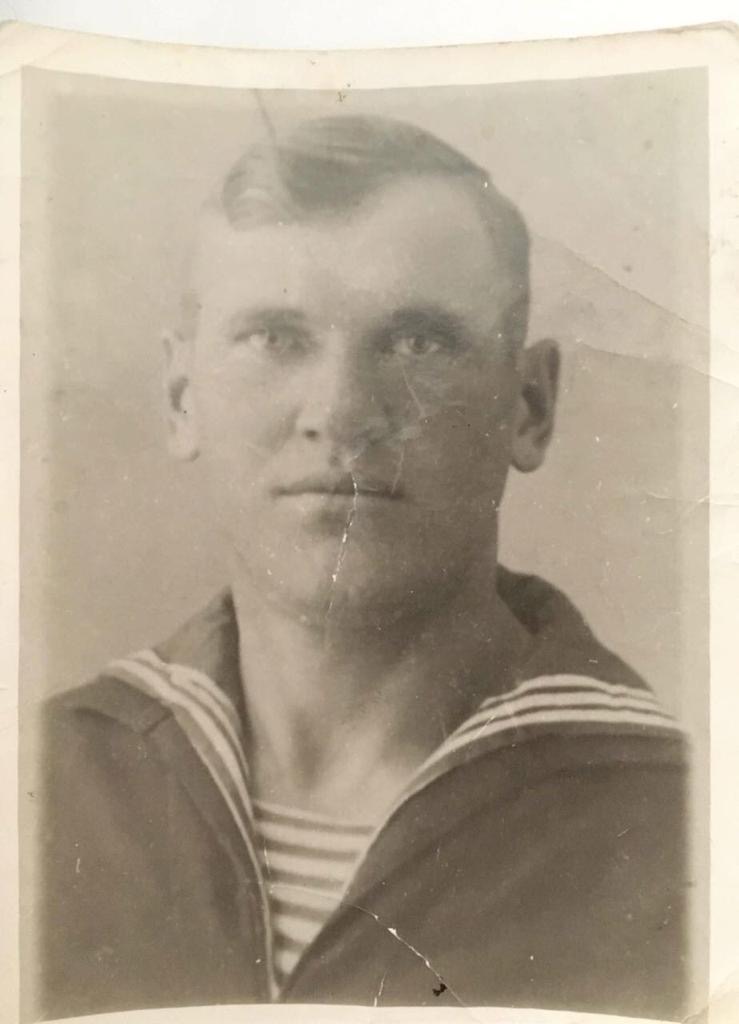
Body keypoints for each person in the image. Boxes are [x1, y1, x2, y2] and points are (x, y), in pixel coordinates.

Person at [37, 114, 688, 1020]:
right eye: (276, 337)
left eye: (417, 342)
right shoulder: (46, 785)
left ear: (529, 406)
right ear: (182, 398)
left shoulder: (684, 823)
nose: (341, 413)